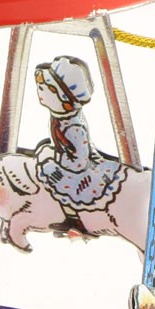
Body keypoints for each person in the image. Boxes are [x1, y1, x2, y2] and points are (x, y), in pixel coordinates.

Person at [32, 56, 127, 228]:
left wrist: (55, 159)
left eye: (44, 88)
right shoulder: (59, 119)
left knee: (61, 183)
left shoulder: (73, 128)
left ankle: (75, 220)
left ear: (63, 98)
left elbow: (80, 161)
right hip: (69, 162)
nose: (39, 92)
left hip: (81, 171)